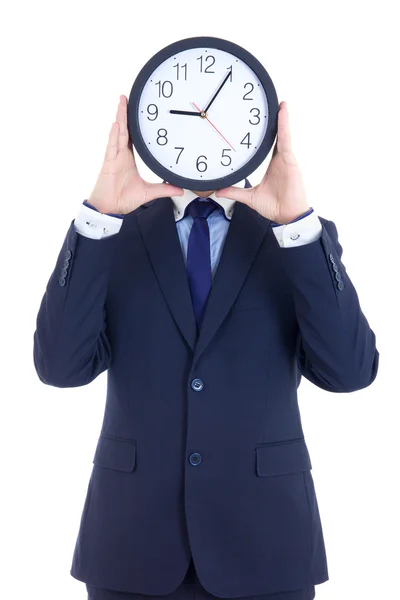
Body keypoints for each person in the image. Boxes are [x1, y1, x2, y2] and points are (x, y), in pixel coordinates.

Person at [33, 95, 379, 600]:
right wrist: (100, 212)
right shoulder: (114, 233)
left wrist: (296, 221)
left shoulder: (295, 237)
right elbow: (60, 366)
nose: (203, 132)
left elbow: (350, 371)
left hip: (268, 546)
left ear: (253, 136)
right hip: (131, 549)